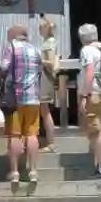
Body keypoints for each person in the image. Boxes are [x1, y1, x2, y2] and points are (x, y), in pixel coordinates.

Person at [0, 21, 44, 192]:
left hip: (15, 99)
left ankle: (15, 171)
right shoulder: (35, 49)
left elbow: (3, 68)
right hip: (33, 98)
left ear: (13, 35)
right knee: (32, 135)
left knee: (15, 135)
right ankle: (33, 170)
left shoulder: (11, 47)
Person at [77, 21, 101, 177]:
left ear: (82, 38)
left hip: (93, 93)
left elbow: (89, 73)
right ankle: (100, 163)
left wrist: (84, 95)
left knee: (95, 132)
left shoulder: (87, 50)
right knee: (98, 128)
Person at [37, 14, 60, 151]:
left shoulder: (49, 43)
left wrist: (38, 60)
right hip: (45, 78)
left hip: (45, 78)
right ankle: (49, 141)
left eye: (41, 27)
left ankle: (51, 142)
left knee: (45, 111)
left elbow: (50, 63)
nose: (39, 29)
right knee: (44, 110)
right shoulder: (49, 42)